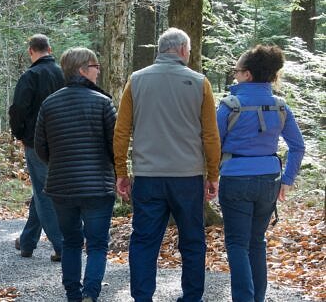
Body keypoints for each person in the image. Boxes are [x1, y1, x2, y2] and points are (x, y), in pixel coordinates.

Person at [114, 27, 221, 302]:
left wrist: (121, 172)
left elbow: (121, 131)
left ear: (160, 50)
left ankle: (142, 297)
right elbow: (210, 134)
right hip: (188, 176)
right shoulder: (200, 83)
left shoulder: (135, 81)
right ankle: (192, 297)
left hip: (148, 176)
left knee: (144, 240)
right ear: (184, 50)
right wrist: (213, 174)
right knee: (193, 241)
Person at [216, 45, 305, 302]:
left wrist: (209, 177)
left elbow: (211, 147)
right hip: (269, 180)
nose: (235, 75)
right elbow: (298, 146)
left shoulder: (229, 106)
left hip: (235, 180)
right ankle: (258, 298)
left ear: (248, 75)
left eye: (237, 71)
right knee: (257, 242)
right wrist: (287, 180)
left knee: (237, 244)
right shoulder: (279, 106)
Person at [34, 47, 117, 302]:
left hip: (61, 186)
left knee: (70, 242)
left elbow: (40, 148)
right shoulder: (103, 102)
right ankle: (91, 294)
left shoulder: (49, 103)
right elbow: (116, 145)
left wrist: (60, 164)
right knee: (97, 244)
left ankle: (73, 294)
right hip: (98, 187)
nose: (98, 70)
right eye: (95, 66)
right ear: (82, 70)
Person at [8, 34, 64, 261]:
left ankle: (62, 245)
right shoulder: (63, 73)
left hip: (37, 142)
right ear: (50, 49)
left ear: (31, 51)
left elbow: (18, 109)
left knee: (44, 194)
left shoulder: (30, 76)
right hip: (62, 142)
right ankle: (28, 242)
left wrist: (20, 134)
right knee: (42, 191)